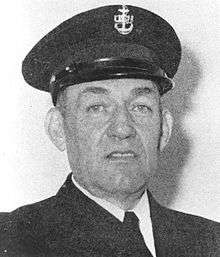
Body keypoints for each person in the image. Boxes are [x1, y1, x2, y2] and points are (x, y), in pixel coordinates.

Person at [0, 4, 219, 257]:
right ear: (58, 129)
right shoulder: (13, 240)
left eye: (140, 107)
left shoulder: (210, 241)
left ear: (165, 129)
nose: (123, 129)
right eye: (97, 107)